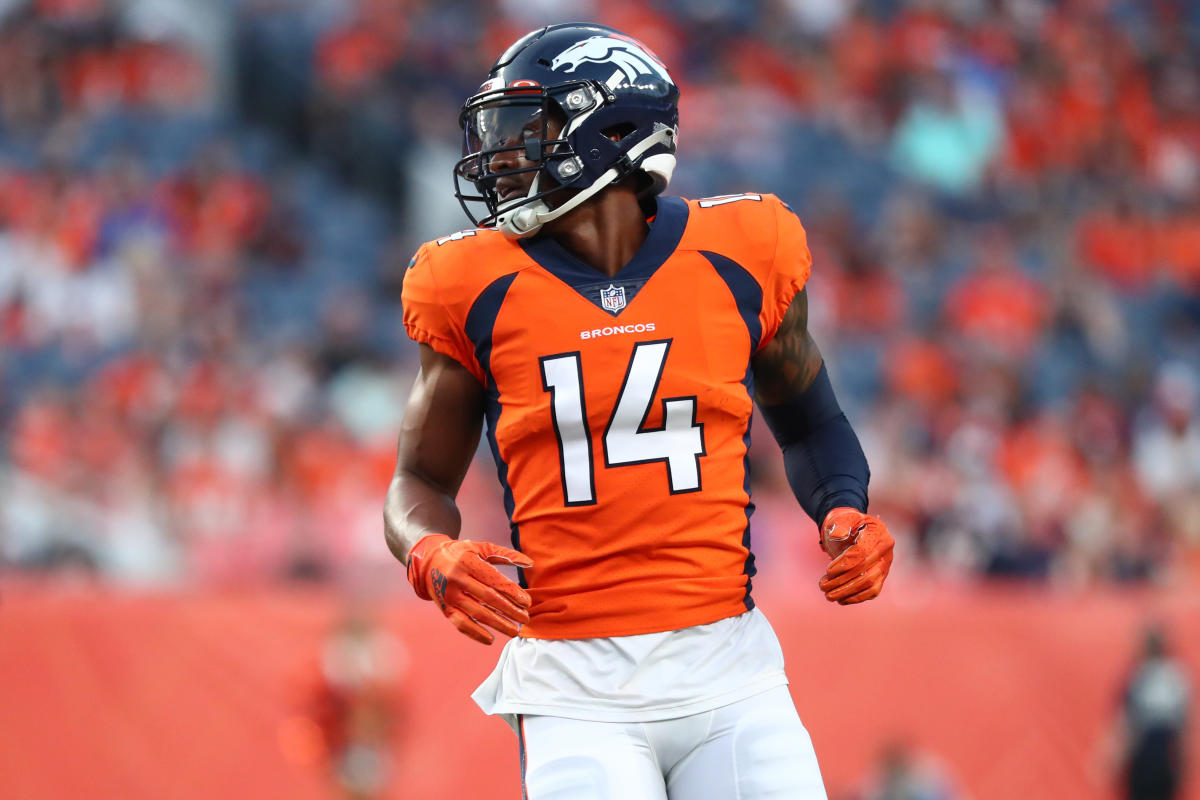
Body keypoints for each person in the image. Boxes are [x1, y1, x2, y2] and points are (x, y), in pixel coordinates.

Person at [383, 22, 894, 799]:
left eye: (529, 130)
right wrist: (431, 552)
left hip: (729, 670)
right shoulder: (468, 283)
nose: (504, 156)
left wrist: (846, 510)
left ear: (610, 130)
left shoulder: (742, 250)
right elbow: (417, 479)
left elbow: (811, 420)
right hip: (573, 682)